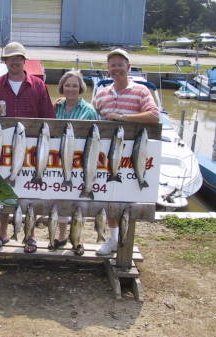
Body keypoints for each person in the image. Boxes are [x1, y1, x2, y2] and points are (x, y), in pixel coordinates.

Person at [0, 41, 55, 253]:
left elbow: (48, 116)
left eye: (18, 58)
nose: (14, 62)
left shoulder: (38, 85)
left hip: (33, 147)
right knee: (5, 189)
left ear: (25, 61)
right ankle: (3, 233)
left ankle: (30, 236)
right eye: (10, 58)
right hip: (2, 147)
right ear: (5, 61)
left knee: (30, 192)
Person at [92, 48, 159, 255]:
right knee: (109, 198)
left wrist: (123, 118)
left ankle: (125, 242)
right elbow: (90, 116)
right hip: (106, 156)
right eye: (112, 65)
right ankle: (113, 239)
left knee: (128, 201)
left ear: (128, 67)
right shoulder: (101, 94)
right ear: (108, 69)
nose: (116, 68)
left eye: (120, 64)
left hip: (133, 157)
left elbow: (154, 116)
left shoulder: (141, 91)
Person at [53, 70, 99, 249]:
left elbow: (98, 136)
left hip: (82, 162)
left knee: (79, 202)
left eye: (74, 85)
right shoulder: (57, 107)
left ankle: (78, 238)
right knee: (62, 198)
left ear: (80, 88)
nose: (71, 88)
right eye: (67, 85)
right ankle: (62, 235)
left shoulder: (89, 110)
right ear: (62, 87)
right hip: (59, 161)